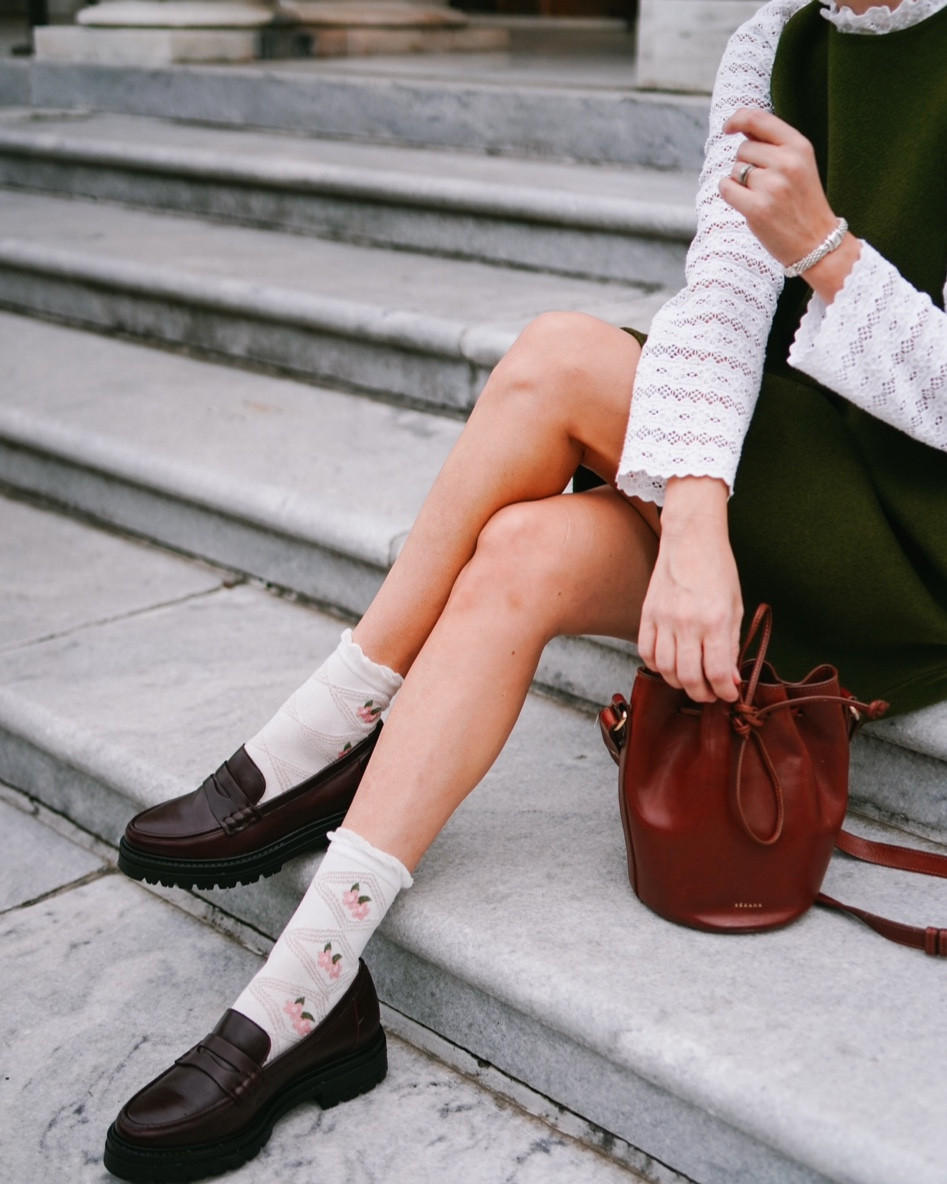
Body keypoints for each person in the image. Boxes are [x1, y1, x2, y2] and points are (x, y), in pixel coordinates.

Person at [103, 1, 947, 1179]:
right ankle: (309, 986)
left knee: (558, 353)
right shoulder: (775, 40)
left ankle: (323, 733)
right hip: (769, 485)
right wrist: (693, 517)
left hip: (905, 543)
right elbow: (716, 303)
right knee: (518, 555)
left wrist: (826, 251)